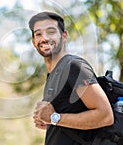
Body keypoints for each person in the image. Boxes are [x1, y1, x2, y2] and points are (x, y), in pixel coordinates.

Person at [29, 11, 114, 144]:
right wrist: (49, 122)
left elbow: (105, 115)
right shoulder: (53, 75)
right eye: (38, 34)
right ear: (33, 41)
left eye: (51, 32)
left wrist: (54, 118)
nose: (44, 38)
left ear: (64, 36)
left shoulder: (73, 66)